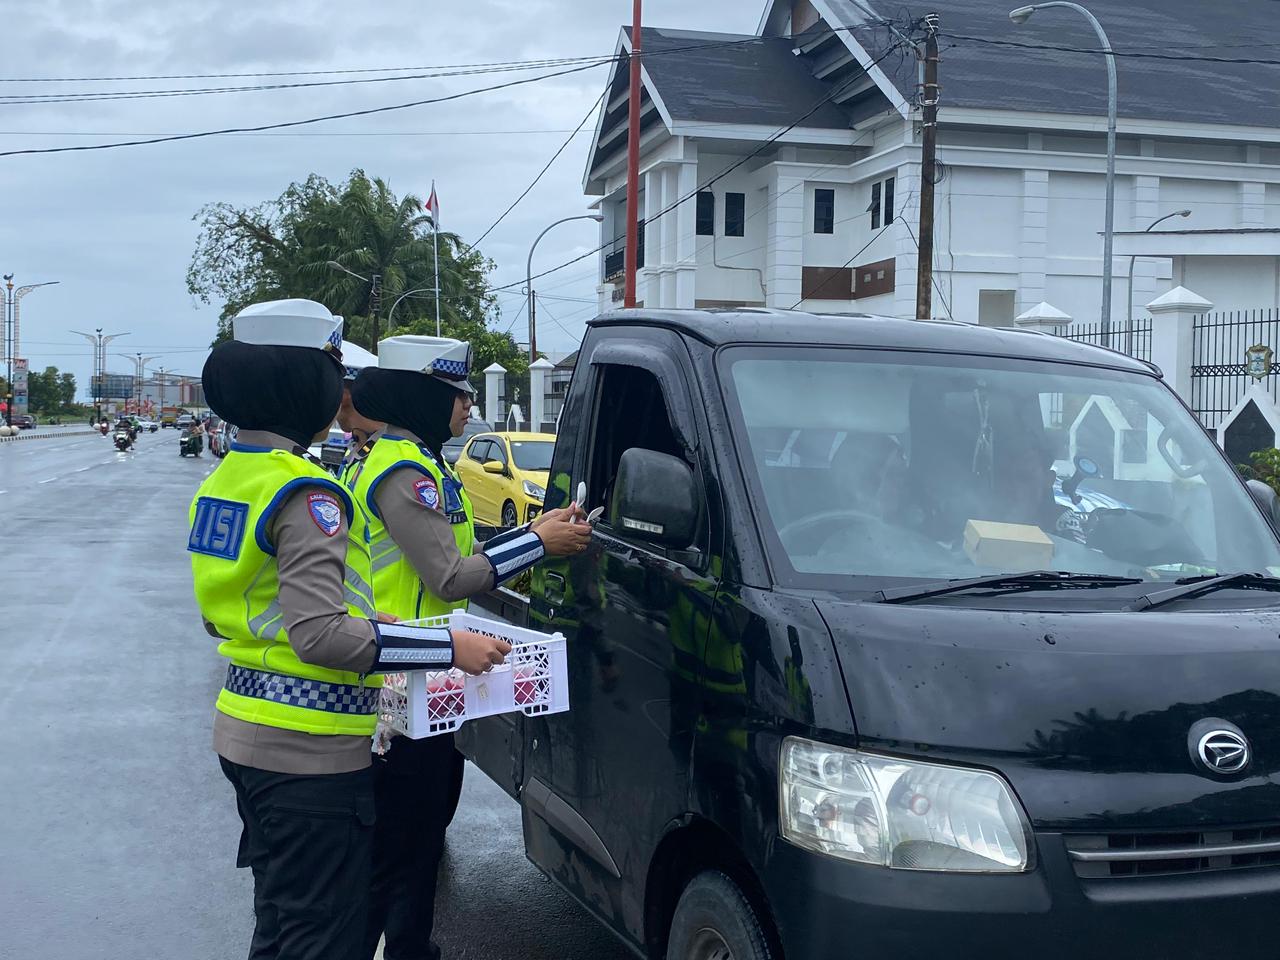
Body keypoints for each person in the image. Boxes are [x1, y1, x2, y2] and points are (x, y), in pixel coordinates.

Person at [188, 300, 512, 960]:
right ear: (300, 385)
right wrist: (449, 645)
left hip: (245, 725)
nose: (343, 393)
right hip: (309, 746)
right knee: (324, 936)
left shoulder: (232, 476)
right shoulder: (306, 492)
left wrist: (365, 622)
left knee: (281, 926)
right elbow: (321, 637)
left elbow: (238, 610)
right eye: (332, 374)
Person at [345, 335, 591, 960]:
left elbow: (463, 550)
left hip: (423, 677)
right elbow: (450, 576)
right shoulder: (402, 473)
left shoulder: (421, 462)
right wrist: (538, 545)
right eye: (456, 393)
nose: (467, 404)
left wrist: (530, 531)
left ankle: (409, 945)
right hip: (399, 682)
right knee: (401, 844)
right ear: (421, 397)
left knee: (420, 834)